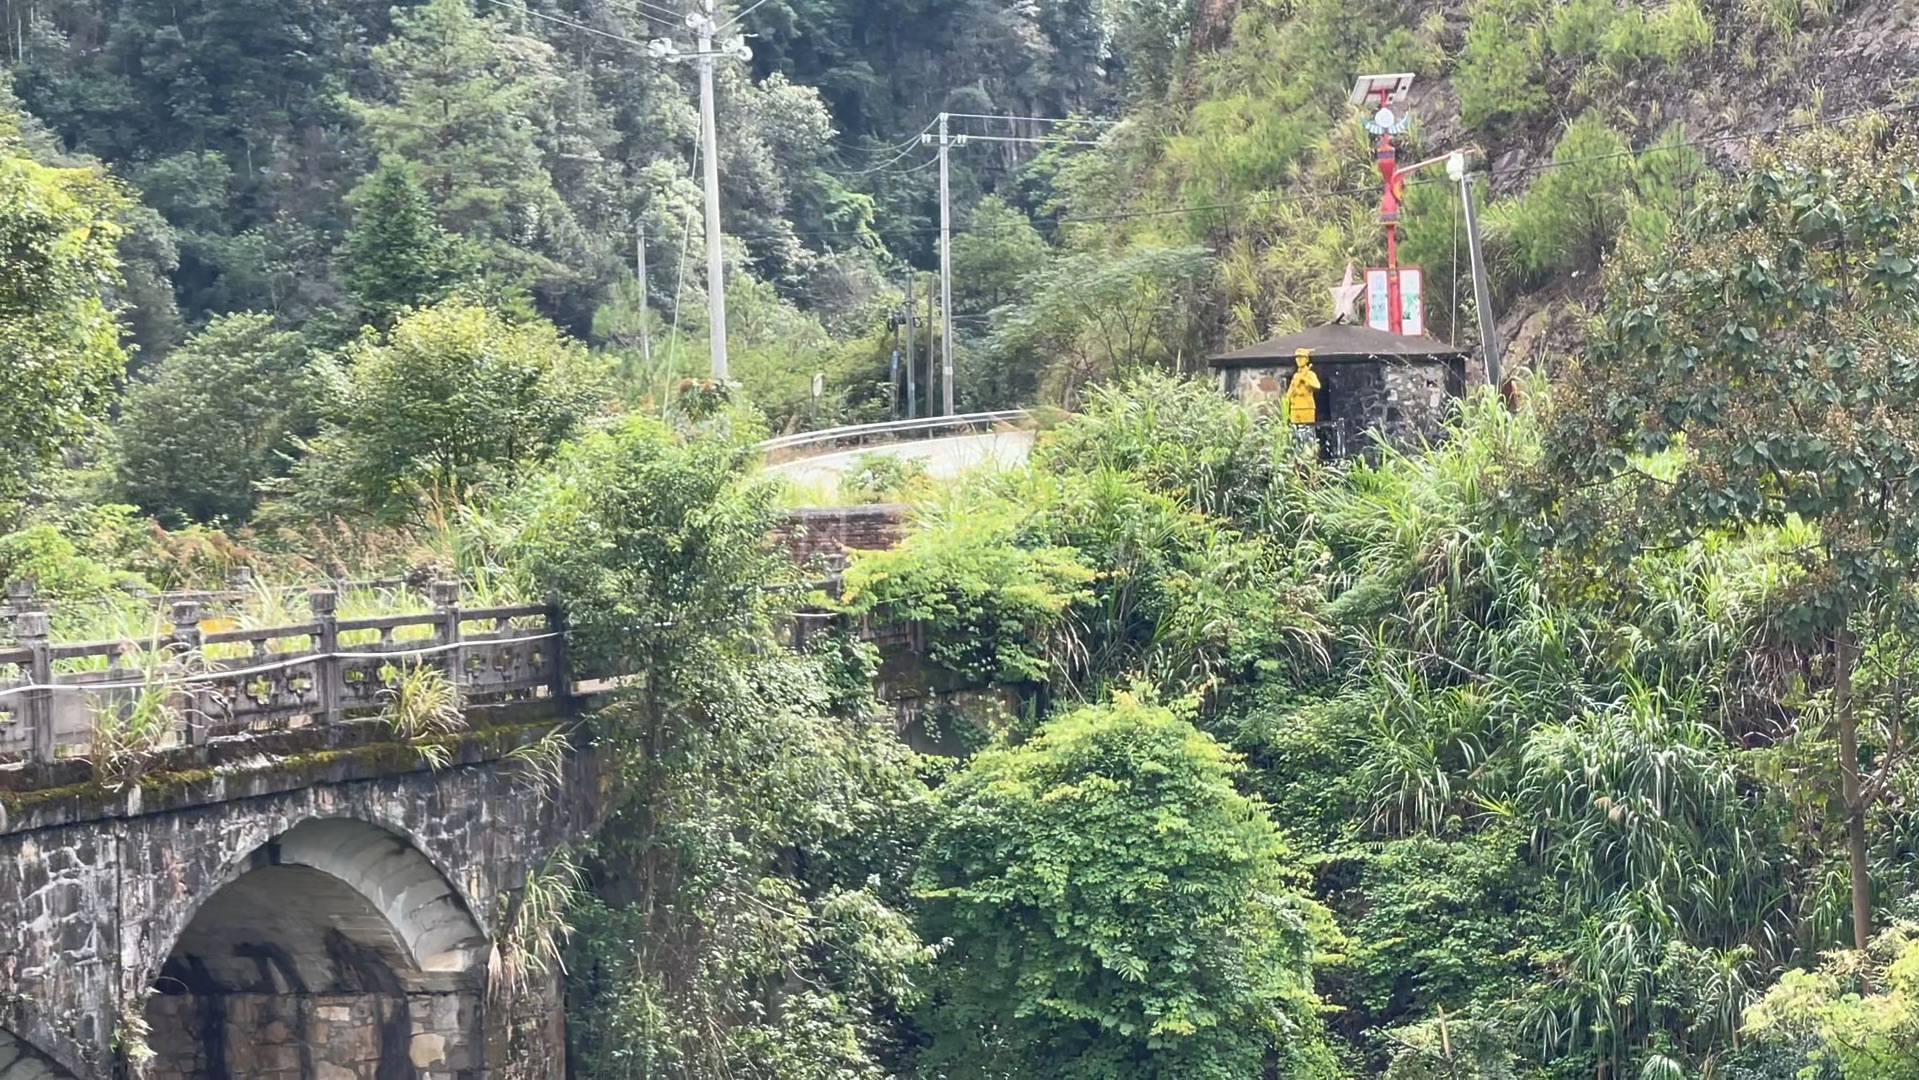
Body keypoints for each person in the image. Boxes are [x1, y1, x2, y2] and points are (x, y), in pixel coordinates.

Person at [1285, 348, 1321, 452]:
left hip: (1307, 407)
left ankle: (1309, 455)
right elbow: (1289, 393)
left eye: (1301, 357)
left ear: (1306, 359)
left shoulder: (1310, 374)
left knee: (1307, 432)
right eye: (1297, 358)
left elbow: (1317, 386)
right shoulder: (1296, 375)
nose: (1299, 360)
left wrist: (1304, 379)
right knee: (1296, 433)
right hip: (1295, 407)